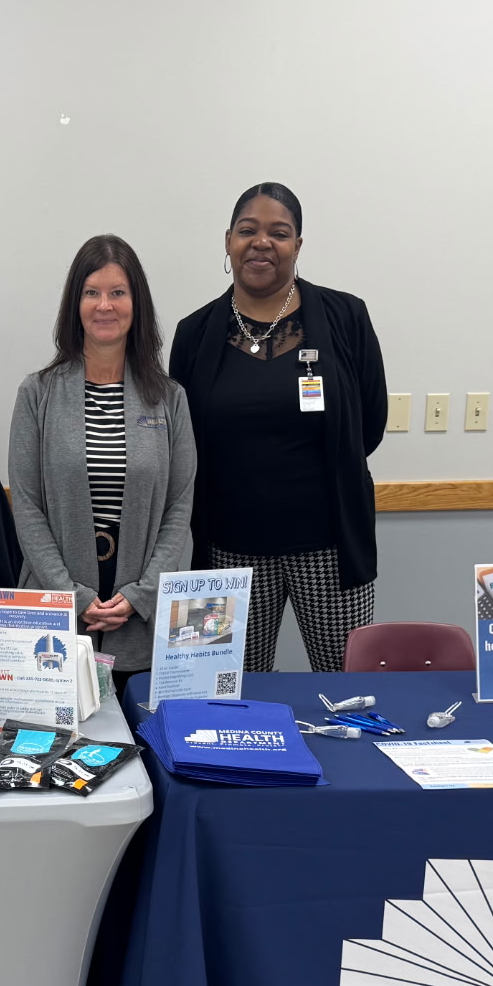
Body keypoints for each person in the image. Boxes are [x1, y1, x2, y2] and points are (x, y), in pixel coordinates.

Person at [169, 182, 388, 673]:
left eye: (279, 232)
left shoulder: (347, 316)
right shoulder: (193, 333)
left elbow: (369, 424)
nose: (261, 242)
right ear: (228, 241)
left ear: (298, 246)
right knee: (226, 693)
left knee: (347, 687)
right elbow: (180, 442)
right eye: (248, 230)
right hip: (227, 552)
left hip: (331, 548)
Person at [8, 234, 196, 681]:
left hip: (141, 617)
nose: (104, 305)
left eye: (118, 292)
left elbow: (179, 505)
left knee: (144, 743)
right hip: (54, 618)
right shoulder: (37, 393)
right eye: (91, 292)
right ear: (75, 303)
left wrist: (142, 594)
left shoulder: (169, 398)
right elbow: (28, 506)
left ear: (137, 303)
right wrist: (70, 595)